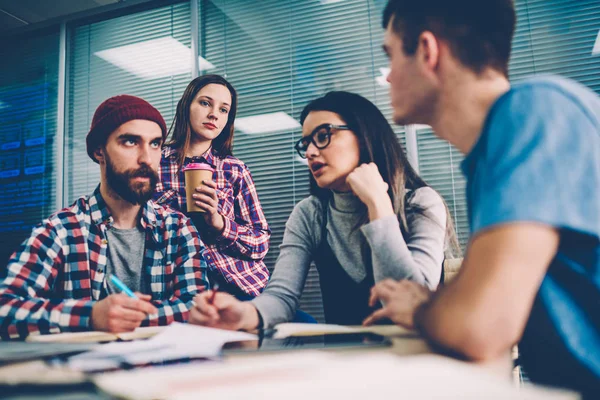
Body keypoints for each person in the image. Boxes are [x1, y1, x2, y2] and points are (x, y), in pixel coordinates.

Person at [364, 0, 600, 397]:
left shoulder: (535, 110)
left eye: (391, 56)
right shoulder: (488, 158)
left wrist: (421, 309)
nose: (387, 79)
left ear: (427, 51)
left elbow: (479, 325)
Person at [188, 90, 459, 329]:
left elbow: (412, 298)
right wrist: (247, 313)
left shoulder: (421, 203)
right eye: (306, 143)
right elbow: (282, 296)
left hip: (415, 360)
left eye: (323, 136)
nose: (310, 152)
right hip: (343, 363)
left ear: (364, 135)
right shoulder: (311, 214)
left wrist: (378, 204)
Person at [0, 95, 208, 339]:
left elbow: (197, 308)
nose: (146, 158)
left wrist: (130, 318)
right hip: (82, 372)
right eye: (130, 142)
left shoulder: (178, 228)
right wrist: (91, 316)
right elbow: (6, 309)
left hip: (162, 371)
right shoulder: (62, 230)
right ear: (99, 151)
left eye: (155, 144)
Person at [154, 75, 270, 300]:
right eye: (205, 103)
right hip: (176, 286)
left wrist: (220, 224)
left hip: (236, 284)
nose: (214, 114)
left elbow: (261, 243)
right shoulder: (154, 162)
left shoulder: (234, 170)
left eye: (224, 110)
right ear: (186, 106)